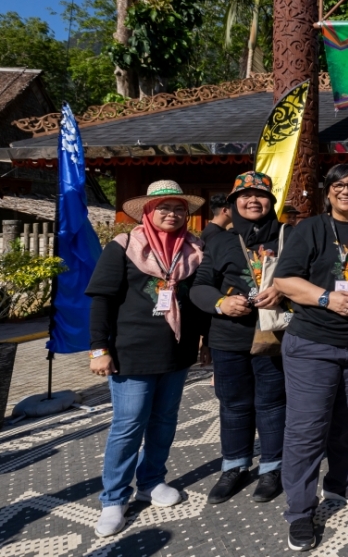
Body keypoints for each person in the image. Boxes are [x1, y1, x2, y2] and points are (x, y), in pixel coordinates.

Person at [272, 163, 348, 552]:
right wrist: (327, 297)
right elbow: (284, 280)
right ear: (327, 192)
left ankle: (339, 482)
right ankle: (301, 511)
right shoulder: (308, 229)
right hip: (312, 344)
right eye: (338, 185)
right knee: (307, 430)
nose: (346, 191)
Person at [86, 180, 208, 537]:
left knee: (165, 420)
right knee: (128, 425)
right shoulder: (124, 246)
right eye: (164, 208)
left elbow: (197, 303)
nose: (172, 214)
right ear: (149, 212)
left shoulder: (194, 249)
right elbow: (102, 300)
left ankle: (152, 480)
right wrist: (98, 348)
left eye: (179, 208)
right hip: (131, 350)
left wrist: (204, 341)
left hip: (177, 350)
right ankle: (113, 498)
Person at [191, 171, 287, 505]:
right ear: (232, 204)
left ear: (271, 202)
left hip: (275, 334)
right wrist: (221, 303)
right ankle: (234, 466)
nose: (252, 201)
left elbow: (307, 278)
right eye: (244, 196)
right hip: (229, 337)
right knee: (233, 404)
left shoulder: (289, 237)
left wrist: (281, 292)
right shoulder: (219, 241)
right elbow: (200, 286)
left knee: (272, 403)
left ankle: (273, 468)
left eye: (260, 195)